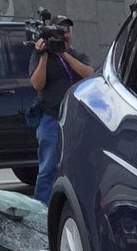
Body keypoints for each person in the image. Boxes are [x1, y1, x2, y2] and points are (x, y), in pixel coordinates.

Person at [27, 17, 95, 204]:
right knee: (48, 167)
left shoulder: (77, 55)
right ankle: (41, 209)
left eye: (67, 30)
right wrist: (44, 56)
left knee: (79, 165)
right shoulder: (41, 55)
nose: (64, 34)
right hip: (50, 118)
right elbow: (36, 84)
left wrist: (64, 54)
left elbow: (90, 74)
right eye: (60, 30)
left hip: (76, 120)